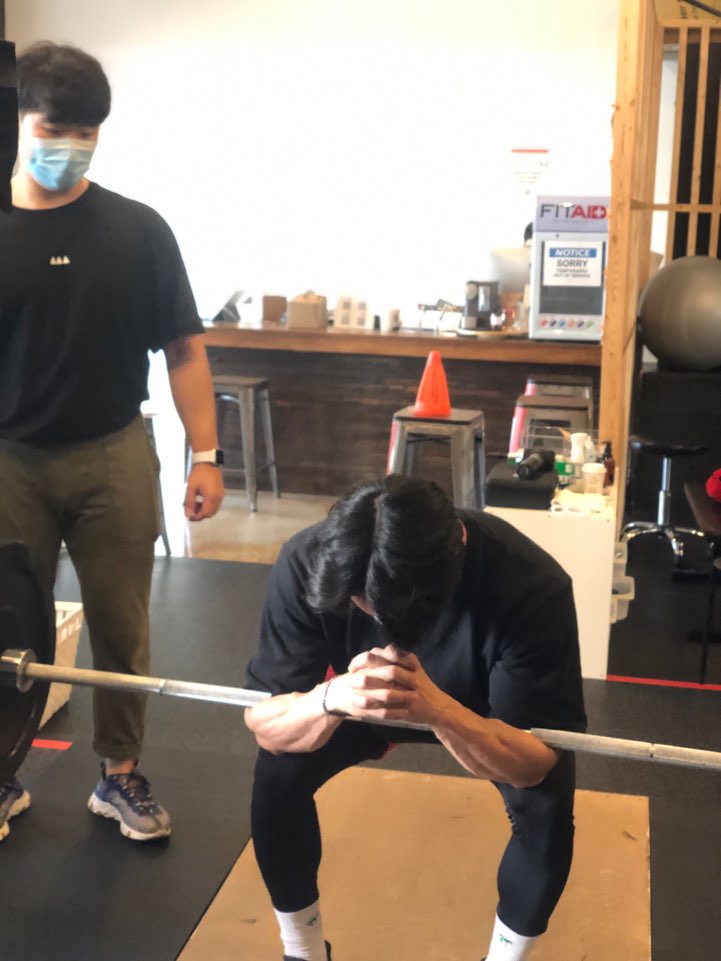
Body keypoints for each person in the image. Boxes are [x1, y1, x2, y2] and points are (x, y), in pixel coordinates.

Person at [0, 42, 224, 843]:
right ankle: (2, 772)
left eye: (87, 132)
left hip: (113, 450)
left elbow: (184, 349)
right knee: (6, 628)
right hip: (8, 460)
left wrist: (206, 455)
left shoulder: (138, 230)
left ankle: (118, 775)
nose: (71, 145)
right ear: (19, 122)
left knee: (122, 625)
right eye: (54, 128)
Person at [244, 474, 587, 961]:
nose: (372, 621)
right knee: (277, 775)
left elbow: (533, 763)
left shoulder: (530, 585)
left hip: (483, 712)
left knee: (545, 805)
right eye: (360, 607)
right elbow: (264, 723)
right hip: (357, 699)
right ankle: (303, 951)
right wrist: (330, 697)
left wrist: (438, 710)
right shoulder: (308, 559)